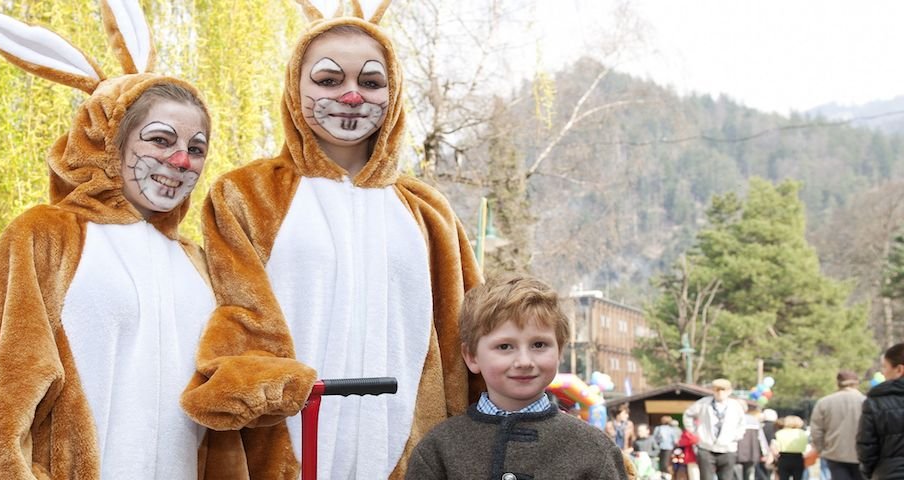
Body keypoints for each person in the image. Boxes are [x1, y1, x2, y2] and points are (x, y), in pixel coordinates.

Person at [0, 4, 229, 478]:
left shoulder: (196, 263)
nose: (181, 161)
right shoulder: (45, 236)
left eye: (196, 148)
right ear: (109, 140)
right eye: (161, 140)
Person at [180, 3, 480, 478]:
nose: (351, 96)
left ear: (394, 90)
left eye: (370, 81)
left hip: (414, 454)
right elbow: (241, 318)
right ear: (295, 85)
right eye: (328, 80)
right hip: (284, 450)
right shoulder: (246, 195)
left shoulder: (428, 211)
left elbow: (468, 331)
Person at [404, 274, 627, 479]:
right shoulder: (439, 448)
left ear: (559, 352)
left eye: (539, 344)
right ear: (472, 356)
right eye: (504, 346)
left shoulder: (594, 450)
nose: (524, 361)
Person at [684, 379, 748, 480]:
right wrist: (694, 431)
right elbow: (688, 414)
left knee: (726, 477)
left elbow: (742, 423)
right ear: (713, 390)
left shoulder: (735, 406)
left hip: (728, 448)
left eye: (723, 390)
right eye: (717, 390)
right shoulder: (704, 403)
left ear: (729, 391)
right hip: (706, 447)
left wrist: (736, 436)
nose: (720, 393)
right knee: (706, 477)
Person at [858, 342, 904, 479]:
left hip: (889, 474)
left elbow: (866, 447)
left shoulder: (876, 402)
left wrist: (871, 473)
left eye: (885, 367)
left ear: (899, 370)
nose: (882, 372)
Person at [811, 370, 866, 479]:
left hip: (834, 453)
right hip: (862, 454)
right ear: (856, 383)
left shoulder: (824, 402)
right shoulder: (866, 401)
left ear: (838, 383)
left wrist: (821, 449)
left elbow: (816, 430)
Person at [736, 406, 770, 480]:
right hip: (752, 453)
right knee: (748, 474)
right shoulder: (754, 420)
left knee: (736, 475)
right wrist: (764, 452)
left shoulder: (732, 418)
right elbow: (761, 438)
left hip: (735, 453)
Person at [771, 415, 809, 480]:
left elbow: (774, 448)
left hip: (783, 458)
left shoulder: (779, 433)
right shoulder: (803, 433)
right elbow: (808, 448)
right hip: (798, 458)